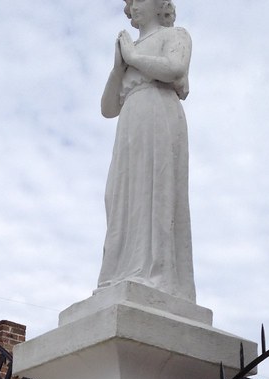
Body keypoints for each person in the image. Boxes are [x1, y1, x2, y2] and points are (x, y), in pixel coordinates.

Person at [98, 0, 196, 303]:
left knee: (156, 190)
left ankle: (156, 272)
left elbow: (175, 68)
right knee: (119, 195)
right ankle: (120, 271)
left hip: (158, 113)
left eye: (139, 0)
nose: (133, 7)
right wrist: (118, 68)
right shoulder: (130, 50)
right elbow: (107, 108)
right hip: (130, 121)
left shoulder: (175, 35)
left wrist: (133, 57)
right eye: (131, 3)